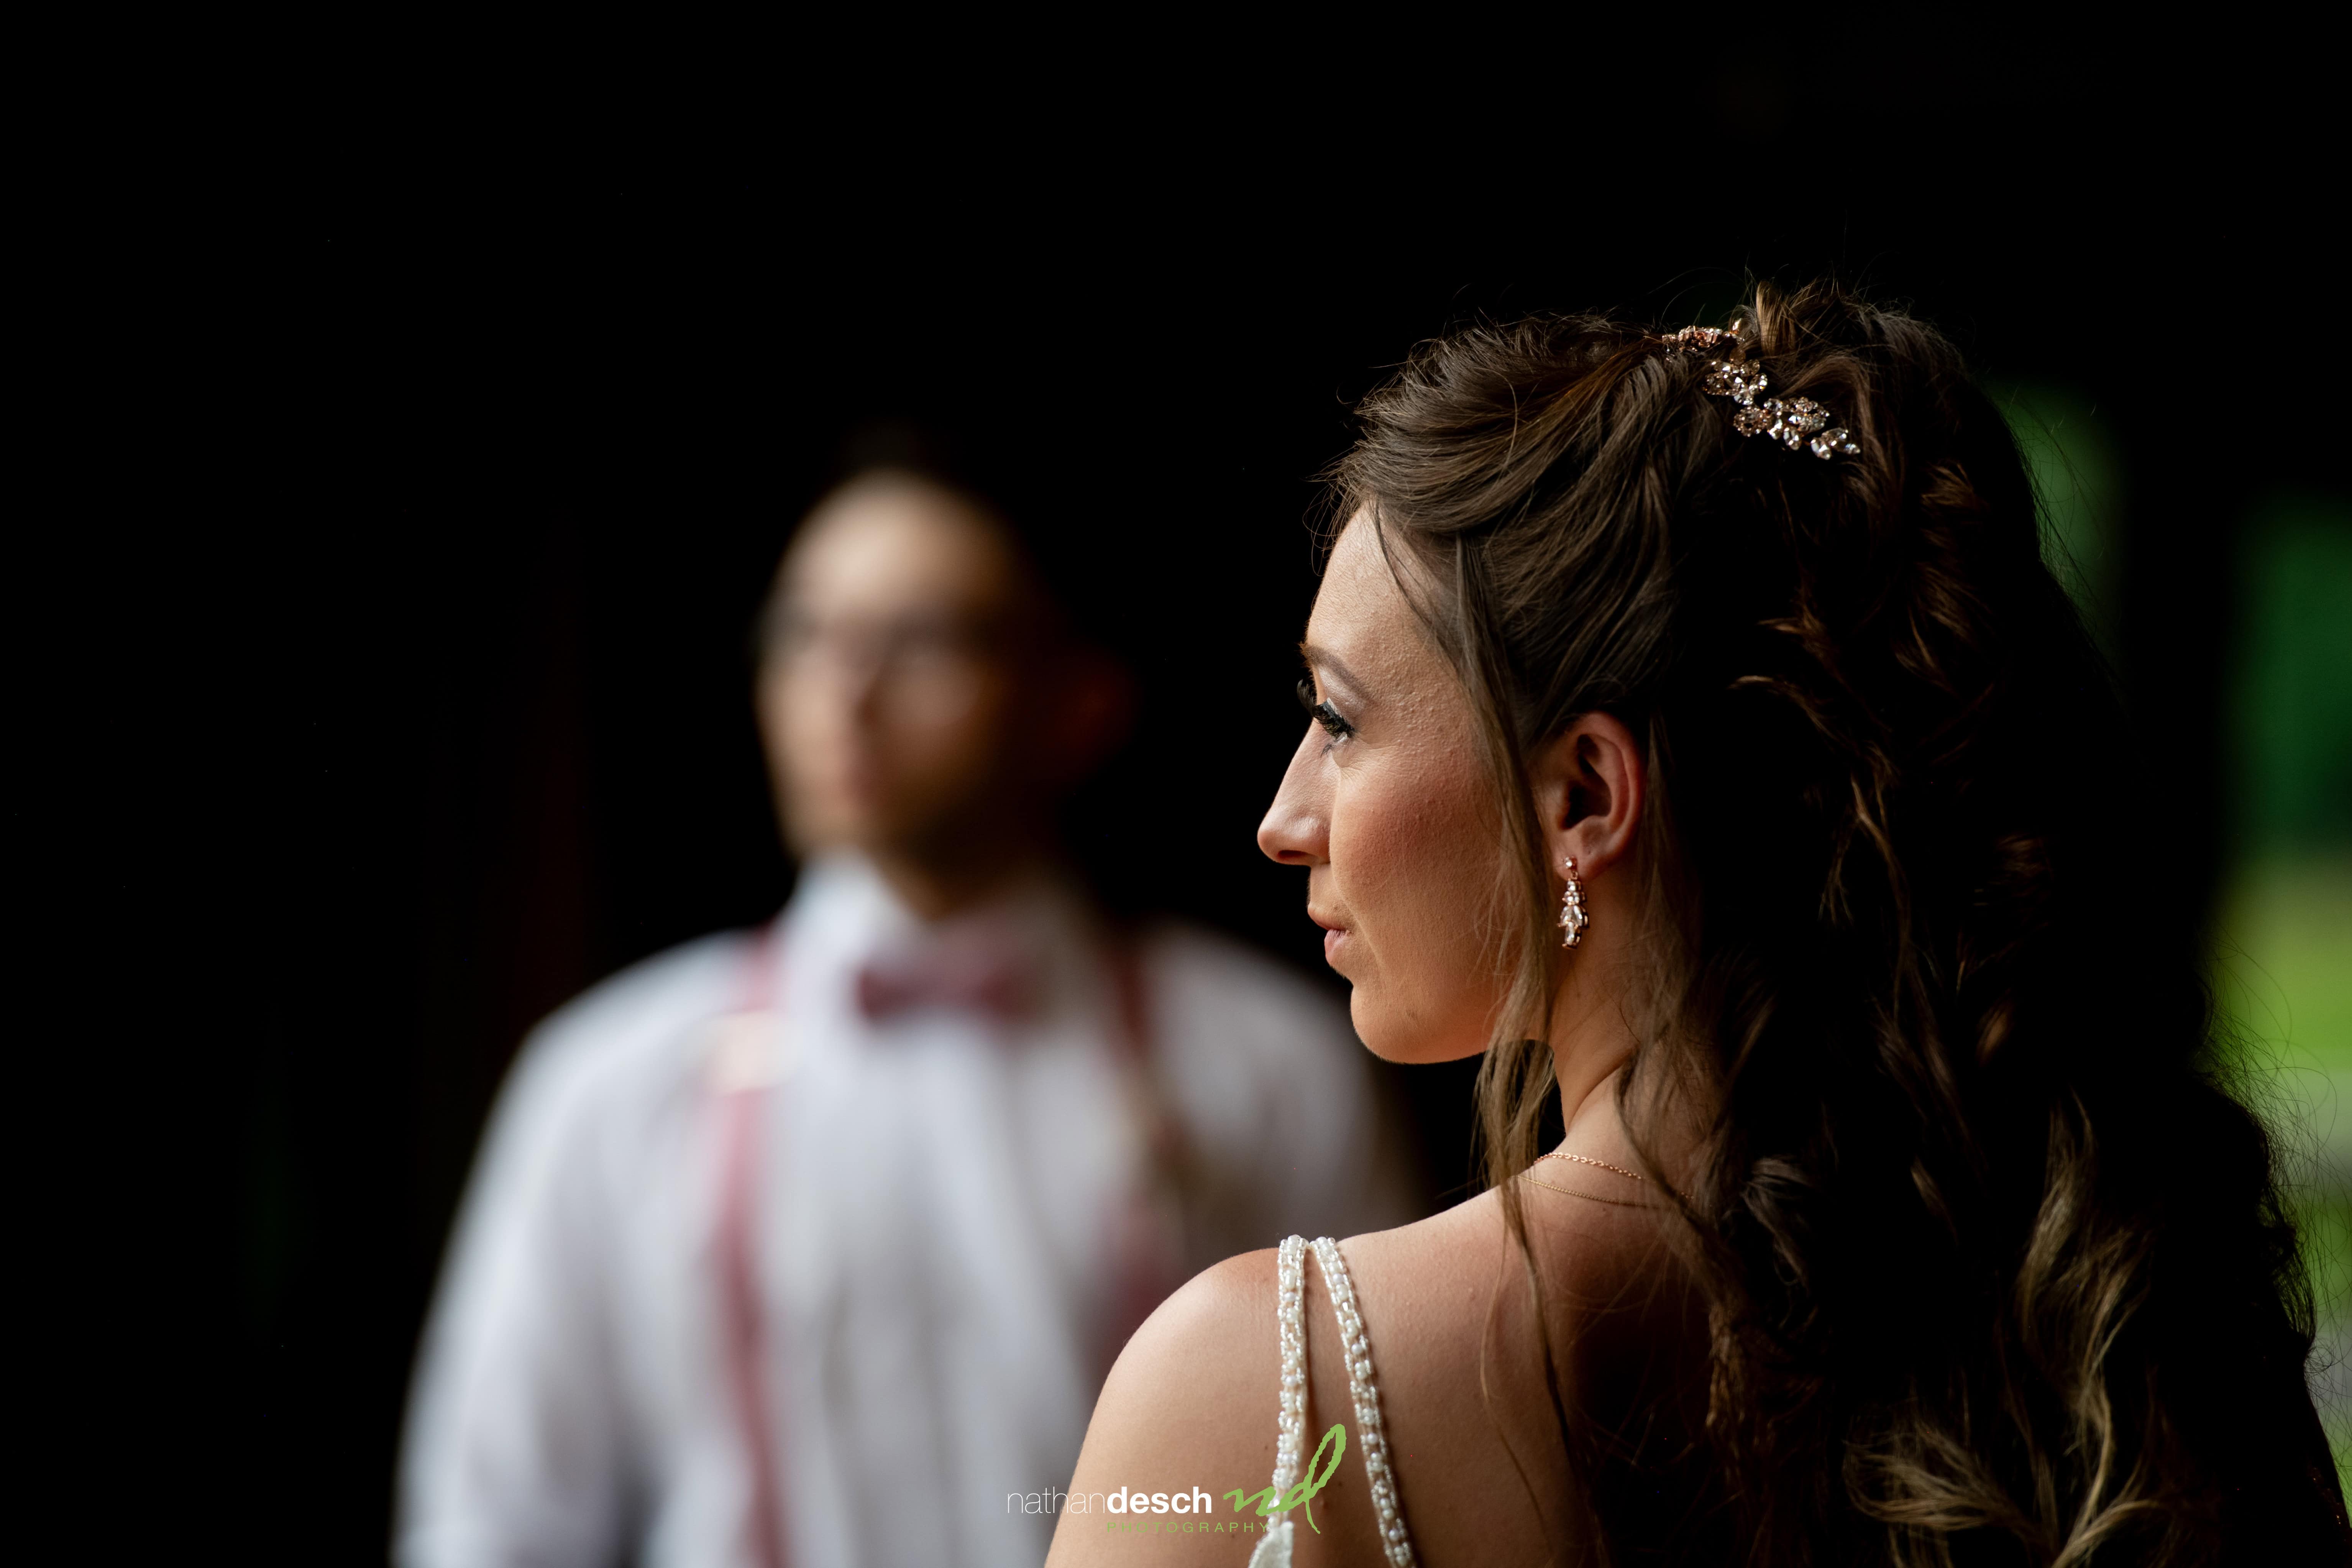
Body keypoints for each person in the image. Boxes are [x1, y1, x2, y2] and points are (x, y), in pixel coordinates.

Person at [1052, 284, 2350, 1566]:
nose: (1285, 817)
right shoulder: (2142, 1341)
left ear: (1585, 795)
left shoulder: (1272, 1405)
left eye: (1338, 721)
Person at [397, 461, 1414, 1568]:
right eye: (804, 636)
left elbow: (1370, 1457)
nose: (845, 692)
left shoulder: (1266, 1059)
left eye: (921, 639)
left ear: (1077, 699)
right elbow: (496, 1519)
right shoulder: (605, 1080)